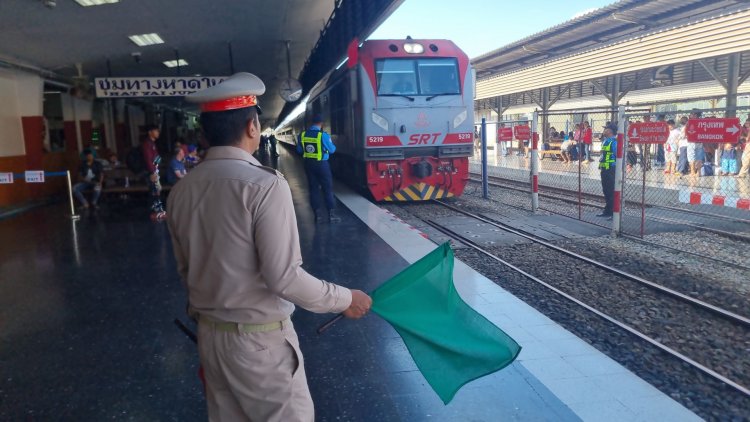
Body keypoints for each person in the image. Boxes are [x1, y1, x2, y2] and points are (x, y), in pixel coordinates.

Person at [169, 72, 372, 422]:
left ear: (204, 133)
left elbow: (185, 268)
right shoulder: (264, 185)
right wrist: (345, 298)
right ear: (252, 127)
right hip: (258, 345)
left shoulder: (182, 190)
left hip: (211, 339)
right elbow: (284, 278)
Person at [296, 114, 340, 223]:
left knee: (313, 189)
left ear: (312, 122)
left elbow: (299, 151)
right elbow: (332, 150)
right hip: (322, 165)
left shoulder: (302, 135)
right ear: (321, 124)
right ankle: (331, 215)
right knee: (327, 189)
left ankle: (317, 216)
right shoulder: (322, 135)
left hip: (308, 164)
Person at [141, 124, 166, 220]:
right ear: (150, 132)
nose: (158, 133)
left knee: (157, 191)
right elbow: (148, 159)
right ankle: (153, 213)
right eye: (156, 131)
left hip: (155, 170)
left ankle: (158, 211)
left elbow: (156, 158)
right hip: (152, 172)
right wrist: (152, 172)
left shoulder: (153, 144)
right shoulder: (147, 144)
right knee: (154, 192)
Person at [598, 123, 618, 219]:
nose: (604, 131)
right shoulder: (606, 140)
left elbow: (617, 155)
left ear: (610, 131)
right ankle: (608, 210)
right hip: (604, 168)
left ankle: (613, 212)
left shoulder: (614, 142)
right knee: (606, 190)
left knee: (611, 191)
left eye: (605, 129)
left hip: (611, 168)